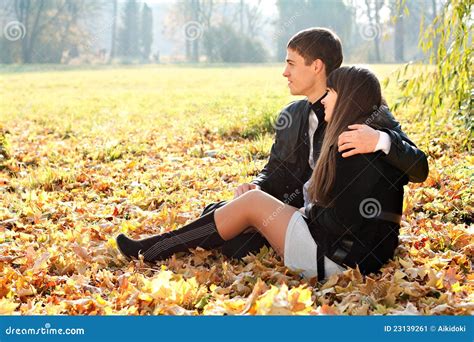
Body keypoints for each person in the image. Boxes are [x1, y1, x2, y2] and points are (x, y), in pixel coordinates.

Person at [117, 66, 414, 281]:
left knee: (253, 204)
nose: (324, 99)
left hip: (339, 261)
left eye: (332, 93)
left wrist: (299, 211)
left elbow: (342, 221)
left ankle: (154, 248)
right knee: (238, 236)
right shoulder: (373, 136)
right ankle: (221, 227)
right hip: (354, 254)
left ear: (348, 99)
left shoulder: (355, 146)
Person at [202, 27, 428, 260]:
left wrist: (382, 140)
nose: (284, 72)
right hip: (295, 215)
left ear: (317, 66)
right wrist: (257, 186)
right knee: (218, 217)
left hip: (328, 228)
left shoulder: (363, 115)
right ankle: (257, 227)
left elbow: (419, 168)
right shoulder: (292, 115)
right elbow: (275, 169)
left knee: (229, 233)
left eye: (291, 63)